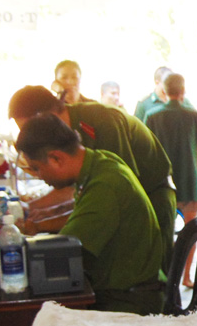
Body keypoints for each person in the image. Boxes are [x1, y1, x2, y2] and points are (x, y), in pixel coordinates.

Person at [8, 86, 177, 272]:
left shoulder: (101, 121)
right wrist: (43, 212)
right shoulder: (68, 138)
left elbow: (111, 194)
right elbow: (83, 193)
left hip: (153, 196)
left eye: (28, 129)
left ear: (44, 118)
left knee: (156, 271)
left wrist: (40, 223)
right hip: (124, 200)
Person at [14, 113, 164, 315]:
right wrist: (40, 225)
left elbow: (64, 251)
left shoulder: (105, 185)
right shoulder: (100, 162)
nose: (40, 177)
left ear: (56, 158)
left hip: (127, 303)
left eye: (37, 169)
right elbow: (81, 215)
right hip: (119, 291)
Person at [143, 73, 197, 287]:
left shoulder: (152, 116)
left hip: (163, 185)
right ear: (183, 91)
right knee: (190, 233)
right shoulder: (192, 114)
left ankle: (167, 278)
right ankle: (187, 276)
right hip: (188, 181)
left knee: (165, 231)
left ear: (164, 91)